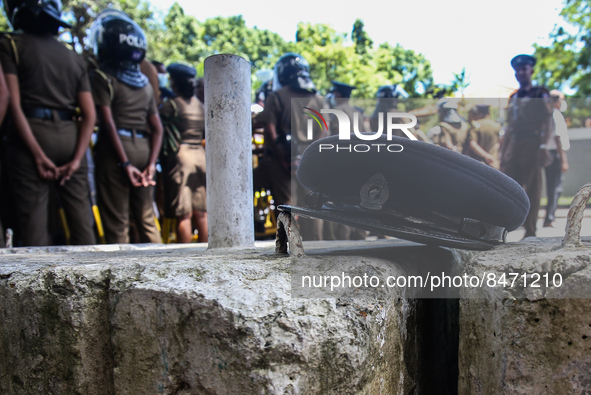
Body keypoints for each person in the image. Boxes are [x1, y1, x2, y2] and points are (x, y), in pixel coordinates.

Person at [0, 0, 96, 246]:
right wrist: (76, 160)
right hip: (70, 139)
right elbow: (89, 115)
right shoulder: (73, 57)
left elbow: (12, 101)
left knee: (34, 223)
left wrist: (37, 154)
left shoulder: (11, 43)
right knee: (82, 223)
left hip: (30, 134)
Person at [89, 9, 162, 244]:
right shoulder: (145, 84)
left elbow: (108, 124)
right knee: (146, 218)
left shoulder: (103, 78)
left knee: (117, 221)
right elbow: (158, 128)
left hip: (117, 151)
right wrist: (151, 164)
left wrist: (125, 163)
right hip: (144, 149)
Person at [256, 52, 326, 240]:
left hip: (283, 161)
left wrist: (284, 158)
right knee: (313, 205)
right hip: (310, 159)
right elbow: (323, 131)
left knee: (286, 205)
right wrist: (311, 156)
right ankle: (317, 248)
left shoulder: (276, 97)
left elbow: (270, 129)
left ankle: (288, 248)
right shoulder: (318, 99)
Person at [500, 54, 552, 238]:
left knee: (532, 189)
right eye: (518, 70)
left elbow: (548, 121)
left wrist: (544, 147)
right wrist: (503, 152)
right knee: (506, 187)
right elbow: (509, 126)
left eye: (524, 69)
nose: (521, 72)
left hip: (532, 144)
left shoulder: (540, 93)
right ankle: (502, 230)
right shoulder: (513, 97)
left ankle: (530, 231)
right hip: (514, 144)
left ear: (531, 71)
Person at [159, 63, 207, 243]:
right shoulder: (201, 106)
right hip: (200, 157)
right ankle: (206, 256)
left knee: (184, 214)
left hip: (181, 158)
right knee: (202, 212)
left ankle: (184, 254)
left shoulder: (171, 105)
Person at [543, 90, 570, 228]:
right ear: (557, 101)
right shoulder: (556, 115)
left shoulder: (548, 115)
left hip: (549, 154)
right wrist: (564, 160)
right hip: (555, 154)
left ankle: (549, 216)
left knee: (552, 186)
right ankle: (549, 217)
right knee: (555, 187)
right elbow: (557, 138)